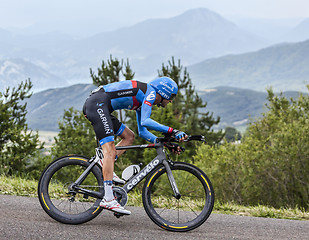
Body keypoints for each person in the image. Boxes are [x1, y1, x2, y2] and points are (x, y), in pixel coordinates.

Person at [83, 76, 188, 215]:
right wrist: (172, 131)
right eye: (171, 97)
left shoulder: (142, 98)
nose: (170, 101)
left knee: (129, 137)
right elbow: (146, 121)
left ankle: (105, 165)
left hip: (100, 106)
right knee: (109, 150)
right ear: (164, 92)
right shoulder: (150, 92)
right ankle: (108, 198)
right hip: (97, 104)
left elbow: (142, 131)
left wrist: (165, 143)